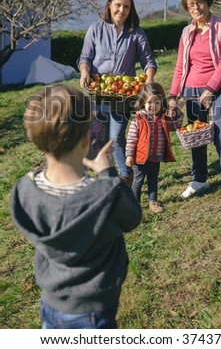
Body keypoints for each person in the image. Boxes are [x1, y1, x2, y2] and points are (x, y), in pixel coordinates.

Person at [10, 85, 142, 329]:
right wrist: (107, 173)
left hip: (51, 303)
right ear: (86, 137)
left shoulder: (24, 189)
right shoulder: (104, 194)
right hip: (93, 310)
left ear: (34, 138)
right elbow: (133, 216)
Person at [168, 0, 221, 205]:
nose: (196, 7)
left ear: (208, 2)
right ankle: (199, 179)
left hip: (218, 87)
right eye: (191, 4)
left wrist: (210, 89)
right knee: (196, 136)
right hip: (191, 89)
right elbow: (180, 67)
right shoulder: (186, 32)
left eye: (200, 2)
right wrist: (174, 96)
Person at [77, 0, 157, 188]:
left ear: (131, 10)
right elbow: (85, 58)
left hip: (124, 94)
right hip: (98, 91)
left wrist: (148, 81)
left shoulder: (136, 33)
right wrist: (85, 71)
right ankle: (100, 179)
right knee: (97, 137)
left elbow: (148, 60)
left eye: (126, 7)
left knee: (116, 137)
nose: (122, 10)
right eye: (118, 5)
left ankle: (126, 175)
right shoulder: (95, 30)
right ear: (110, 6)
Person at [126, 82, 183, 213]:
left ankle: (153, 202)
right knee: (138, 182)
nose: (153, 106)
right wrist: (129, 155)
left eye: (157, 103)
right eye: (150, 103)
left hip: (155, 157)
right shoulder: (138, 120)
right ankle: (135, 204)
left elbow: (175, 126)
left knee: (153, 180)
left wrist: (178, 112)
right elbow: (131, 139)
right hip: (141, 158)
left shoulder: (163, 118)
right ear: (143, 103)